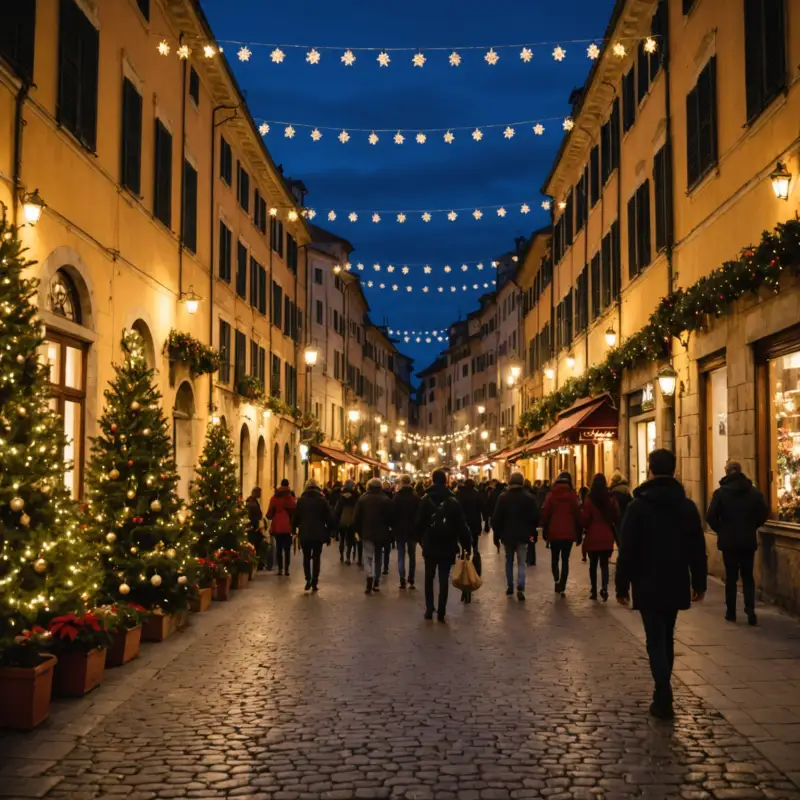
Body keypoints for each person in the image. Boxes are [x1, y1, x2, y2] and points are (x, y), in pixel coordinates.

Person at [616, 449, 707, 720]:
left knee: (654, 638)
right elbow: (697, 547)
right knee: (667, 635)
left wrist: (621, 586)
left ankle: (663, 693)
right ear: (674, 470)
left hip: (646, 581)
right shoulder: (687, 506)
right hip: (676, 579)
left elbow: (627, 549)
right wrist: (700, 581)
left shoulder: (638, 506)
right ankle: (662, 691)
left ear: (650, 470)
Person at [706, 461, 768, 625]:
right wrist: (752, 526)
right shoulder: (754, 493)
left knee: (731, 577)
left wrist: (721, 529)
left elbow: (710, 516)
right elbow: (763, 513)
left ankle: (731, 612)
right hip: (747, 540)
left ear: (727, 472)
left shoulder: (720, 494)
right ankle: (750, 610)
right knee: (748, 577)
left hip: (729, 541)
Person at [416, 470, 472, 622]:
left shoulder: (425, 499)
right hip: (448, 544)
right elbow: (461, 525)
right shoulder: (453, 500)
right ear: (445, 481)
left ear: (432, 480)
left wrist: (420, 540)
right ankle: (441, 610)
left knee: (429, 577)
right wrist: (467, 544)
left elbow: (419, 523)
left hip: (430, 543)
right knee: (443, 577)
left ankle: (429, 609)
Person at [491, 472, 539, 601]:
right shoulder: (529, 498)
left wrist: (497, 534)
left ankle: (510, 586)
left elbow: (496, 518)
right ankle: (521, 587)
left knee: (509, 561)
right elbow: (535, 517)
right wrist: (532, 532)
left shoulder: (503, 498)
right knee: (522, 562)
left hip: (507, 535)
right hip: (524, 535)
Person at [541, 472, 581, 597]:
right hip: (568, 533)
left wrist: (545, 529)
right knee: (565, 559)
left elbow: (546, 513)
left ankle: (556, 580)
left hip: (554, 532)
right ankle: (563, 584)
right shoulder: (572, 495)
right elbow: (577, 514)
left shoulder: (551, 495)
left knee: (554, 558)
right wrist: (578, 532)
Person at [581, 474, 620, 601]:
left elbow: (585, 519)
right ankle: (604, 588)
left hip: (593, 536)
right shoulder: (610, 498)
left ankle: (593, 590)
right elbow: (616, 515)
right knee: (604, 565)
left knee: (593, 565)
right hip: (607, 536)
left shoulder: (589, 500)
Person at [291, 479, 335, 592]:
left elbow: (296, 517)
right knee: (316, 557)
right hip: (318, 533)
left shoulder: (301, 500)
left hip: (305, 532)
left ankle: (308, 579)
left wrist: (293, 529)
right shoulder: (322, 500)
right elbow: (329, 517)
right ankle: (315, 581)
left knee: (306, 557)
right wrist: (329, 532)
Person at [353, 478, 393, 594]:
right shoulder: (385, 499)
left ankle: (369, 574)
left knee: (367, 556)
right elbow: (390, 518)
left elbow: (356, 517)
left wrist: (358, 531)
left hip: (367, 532)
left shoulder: (363, 499)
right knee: (378, 557)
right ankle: (376, 581)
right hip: (381, 533)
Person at [391, 474, 422, 589]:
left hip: (400, 531)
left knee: (401, 556)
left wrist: (393, 527)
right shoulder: (416, 497)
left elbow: (392, 514)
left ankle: (402, 579)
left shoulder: (397, 497)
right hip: (412, 531)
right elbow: (420, 514)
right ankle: (411, 579)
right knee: (412, 555)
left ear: (402, 483)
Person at [456, 478, 484, 602]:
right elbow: (483, 509)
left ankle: (464, 571)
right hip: (475, 526)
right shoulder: (477, 495)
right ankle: (474, 570)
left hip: (463, 526)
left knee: (464, 550)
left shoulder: (459, 495)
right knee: (475, 548)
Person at [267, 479, 297, 577]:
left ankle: (280, 569)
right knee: (287, 549)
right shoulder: (289, 497)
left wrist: (271, 516)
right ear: (288, 485)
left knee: (279, 548)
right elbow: (293, 510)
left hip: (277, 525)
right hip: (287, 525)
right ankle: (287, 569)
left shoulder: (275, 497)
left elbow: (270, 512)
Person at [334, 480, 359, 565]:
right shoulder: (356, 496)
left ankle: (341, 555)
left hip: (342, 521)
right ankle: (348, 557)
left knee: (342, 539)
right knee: (350, 539)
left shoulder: (341, 497)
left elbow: (337, 510)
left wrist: (336, 521)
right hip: (352, 521)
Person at [245, 487, 266, 569]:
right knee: (255, 546)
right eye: (260, 493)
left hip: (254, 527)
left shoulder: (253, 501)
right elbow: (255, 516)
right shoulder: (252, 503)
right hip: (253, 528)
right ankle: (257, 563)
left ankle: (257, 563)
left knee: (257, 545)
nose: (261, 494)